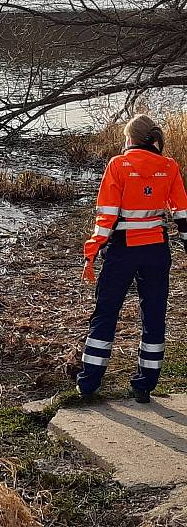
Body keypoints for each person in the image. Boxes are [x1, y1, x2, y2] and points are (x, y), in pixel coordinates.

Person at [78, 114, 187, 403]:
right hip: (157, 250)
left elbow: (107, 216)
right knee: (154, 317)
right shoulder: (169, 166)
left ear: (130, 139)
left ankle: (89, 382)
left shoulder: (118, 165)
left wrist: (92, 250)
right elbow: (182, 214)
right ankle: (144, 385)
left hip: (123, 250)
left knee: (106, 313)